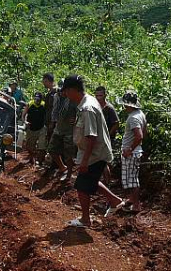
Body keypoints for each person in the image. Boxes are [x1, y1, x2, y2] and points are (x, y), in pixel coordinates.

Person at [61, 75, 125, 228]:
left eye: (66, 92)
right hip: (93, 152)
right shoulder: (86, 102)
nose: (66, 95)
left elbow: (91, 136)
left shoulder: (87, 108)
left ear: (72, 90)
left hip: (95, 153)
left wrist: (84, 161)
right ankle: (115, 201)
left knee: (82, 186)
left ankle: (85, 220)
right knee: (91, 180)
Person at [120, 91, 147, 213]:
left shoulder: (133, 118)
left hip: (132, 153)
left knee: (132, 180)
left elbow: (139, 135)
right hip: (135, 151)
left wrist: (130, 149)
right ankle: (131, 199)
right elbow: (144, 133)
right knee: (131, 178)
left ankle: (136, 206)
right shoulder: (140, 114)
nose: (124, 107)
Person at [48, 81, 77, 182]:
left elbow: (81, 112)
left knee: (69, 155)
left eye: (63, 90)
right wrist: (53, 122)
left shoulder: (73, 100)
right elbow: (54, 110)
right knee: (52, 149)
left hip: (69, 130)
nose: (61, 92)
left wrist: (76, 119)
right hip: (59, 128)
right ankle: (62, 167)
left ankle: (69, 174)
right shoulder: (56, 97)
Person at [95, 86, 119, 183]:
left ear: (105, 95)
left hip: (106, 139)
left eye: (100, 95)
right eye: (96, 95)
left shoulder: (109, 108)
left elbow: (116, 123)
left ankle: (107, 183)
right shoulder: (96, 106)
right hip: (97, 138)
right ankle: (105, 182)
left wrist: (108, 135)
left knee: (104, 161)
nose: (98, 97)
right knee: (101, 161)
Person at [22, 92, 47, 165]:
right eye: (36, 99)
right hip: (31, 128)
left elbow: (47, 114)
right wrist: (25, 122)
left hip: (41, 128)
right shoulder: (30, 104)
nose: (37, 101)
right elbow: (23, 114)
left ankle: (40, 161)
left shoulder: (44, 105)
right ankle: (31, 158)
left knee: (42, 146)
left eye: (39, 99)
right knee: (29, 146)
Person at [42, 73, 58, 142]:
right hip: (48, 119)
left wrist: (52, 122)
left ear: (49, 81)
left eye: (45, 81)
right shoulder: (49, 92)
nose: (44, 83)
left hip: (52, 121)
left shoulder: (56, 93)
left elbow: (55, 108)